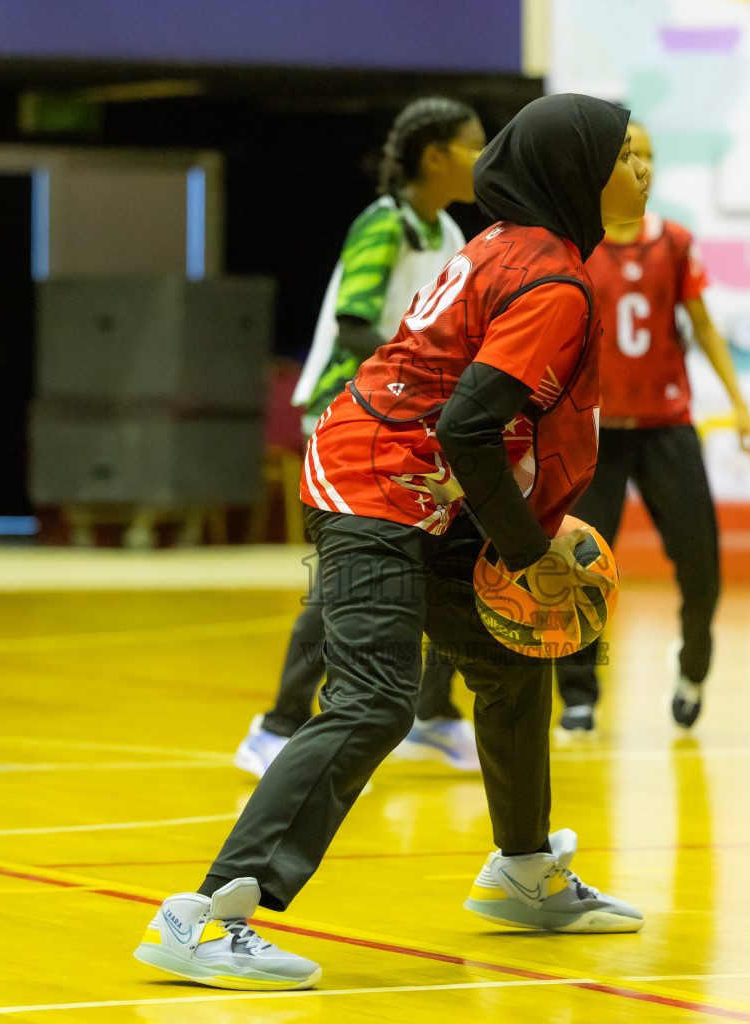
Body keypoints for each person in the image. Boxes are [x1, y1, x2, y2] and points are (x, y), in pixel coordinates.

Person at [135, 93, 651, 990]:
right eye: (622, 154)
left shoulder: (506, 244)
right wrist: (531, 551)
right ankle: (209, 917)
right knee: (376, 698)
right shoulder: (549, 279)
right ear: (574, 170)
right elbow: (466, 428)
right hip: (380, 481)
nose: (640, 169)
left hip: (416, 483)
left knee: (511, 659)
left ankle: (525, 870)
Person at [234, 97, 486, 779]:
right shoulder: (383, 226)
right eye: (473, 144)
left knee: (440, 565)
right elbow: (352, 323)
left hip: (409, 420)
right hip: (352, 416)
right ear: (435, 157)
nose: (484, 156)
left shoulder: (450, 237)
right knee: (351, 580)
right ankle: (277, 726)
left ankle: (433, 716)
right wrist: (429, 380)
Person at [555, 121, 750, 734]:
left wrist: (739, 403)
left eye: (647, 154)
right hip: (594, 433)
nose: (641, 164)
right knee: (580, 568)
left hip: (666, 426)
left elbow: (702, 326)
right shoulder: (573, 246)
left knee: (701, 560)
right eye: (627, 154)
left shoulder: (673, 242)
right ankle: (577, 694)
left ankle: (692, 667)